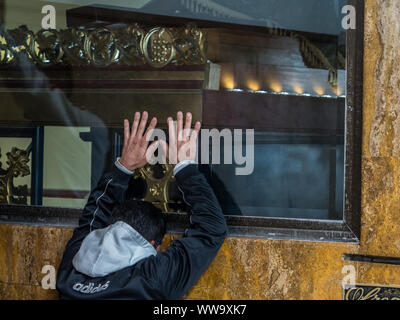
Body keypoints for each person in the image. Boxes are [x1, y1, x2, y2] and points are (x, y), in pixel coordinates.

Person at [56, 111, 228, 299]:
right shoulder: (150, 279)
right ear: (152, 245)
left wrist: (124, 167)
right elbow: (212, 229)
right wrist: (185, 169)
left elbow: (92, 218)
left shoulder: (71, 270)